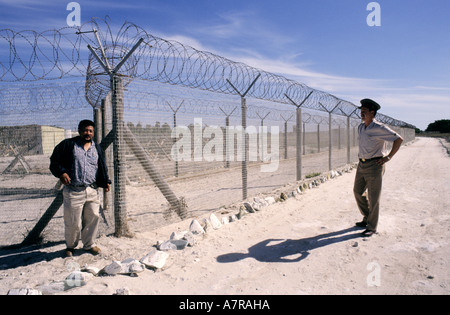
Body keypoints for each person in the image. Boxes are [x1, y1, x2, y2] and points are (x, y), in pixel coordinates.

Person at [50, 120, 111, 257]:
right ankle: (71, 246)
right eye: (84, 130)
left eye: (90, 131)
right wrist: (61, 173)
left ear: (93, 132)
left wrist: (105, 181)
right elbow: (54, 160)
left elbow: (101, 166)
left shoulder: (97, 148)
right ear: (79, 130)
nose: (87, 133)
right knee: (73, 222)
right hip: (73, 190)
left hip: (91, 190)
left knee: (93, 217)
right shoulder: (68, 145)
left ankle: (89, 245)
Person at [354, 99, 403, 237]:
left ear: (372, 112)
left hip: (375, 165)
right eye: (361, 111)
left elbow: (398, 139)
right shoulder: (361, 127)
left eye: (365, 111)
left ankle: (372, 227)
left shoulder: (379, 128)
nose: (362, 113)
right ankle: (367, 217)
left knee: (373, 197)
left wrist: (388, 157)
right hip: (362, 164)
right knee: (357, 192)